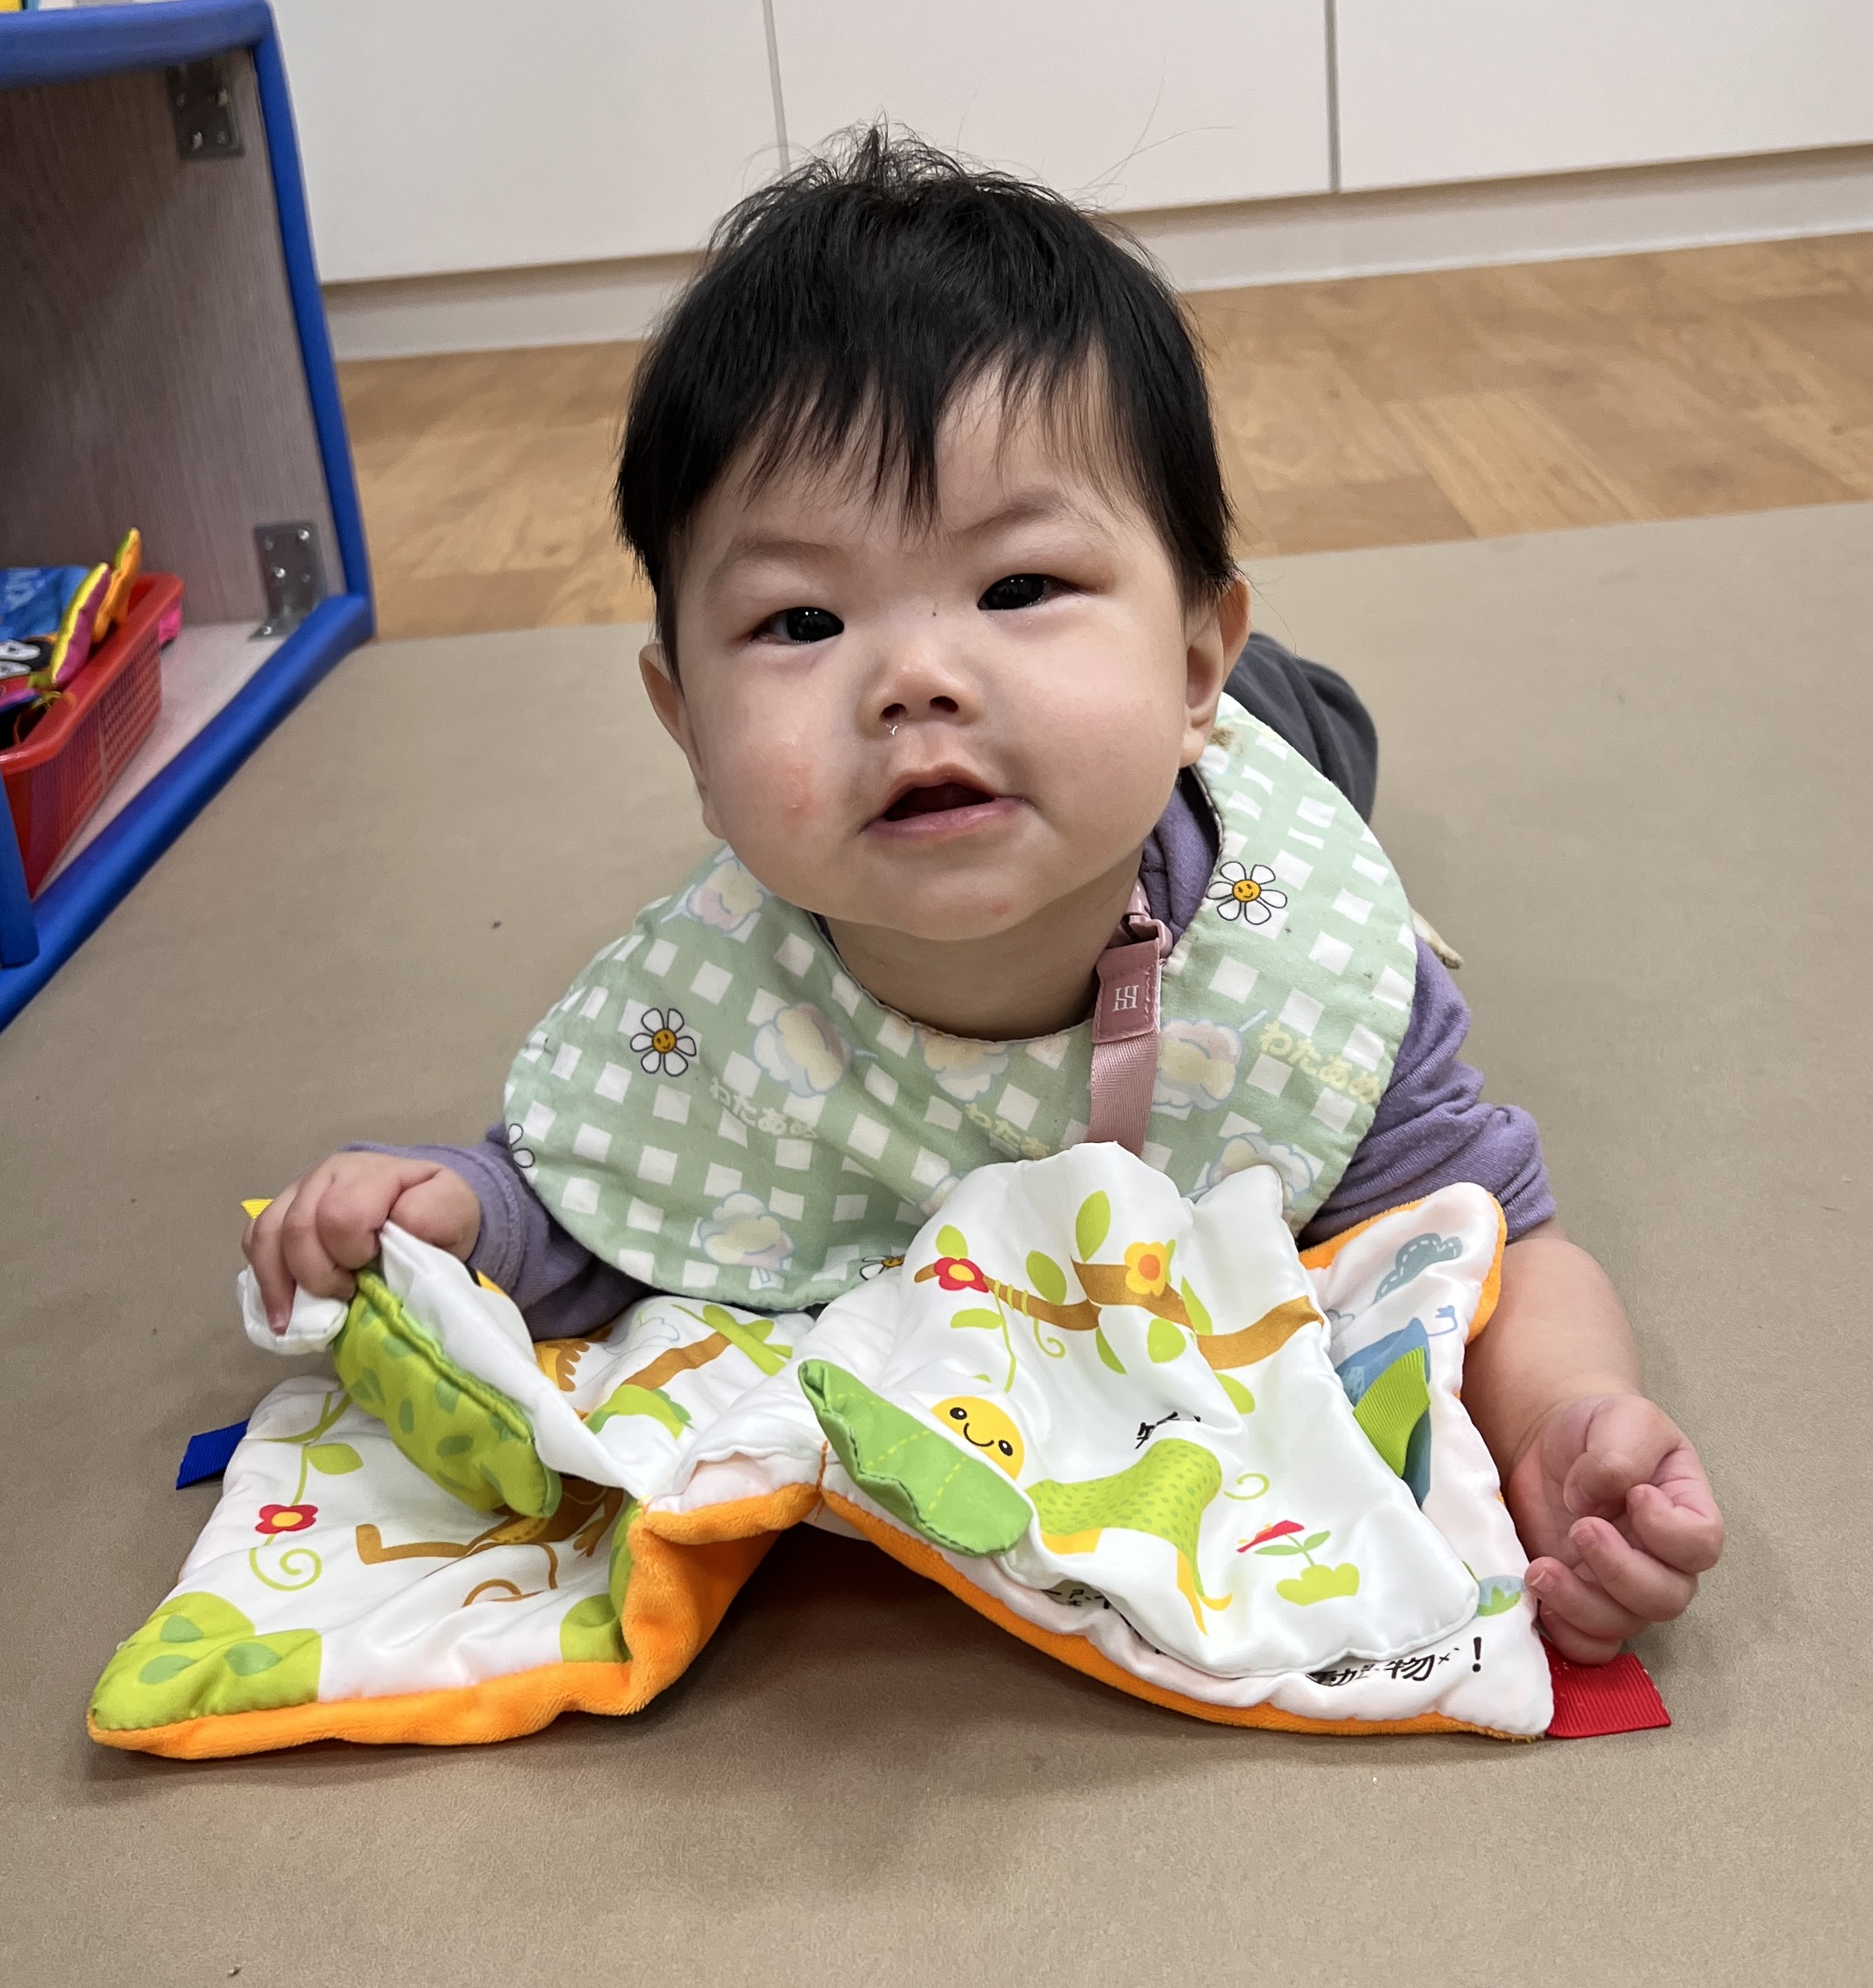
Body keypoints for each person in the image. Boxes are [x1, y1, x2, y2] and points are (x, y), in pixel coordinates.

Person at [246, 130, 1721, 1667]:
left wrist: (1567, 1414)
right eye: (801, 620)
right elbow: (594, 1195)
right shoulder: (710, 1014)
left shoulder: (1299, 968)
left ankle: (1261, 695)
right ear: (685, 729)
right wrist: (455, 1211)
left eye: (1019, 588)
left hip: (1243, 758)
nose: (916, 679)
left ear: (1191, 657)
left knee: (1318, 730)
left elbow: (1487, 1226)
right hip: (1133, 728)